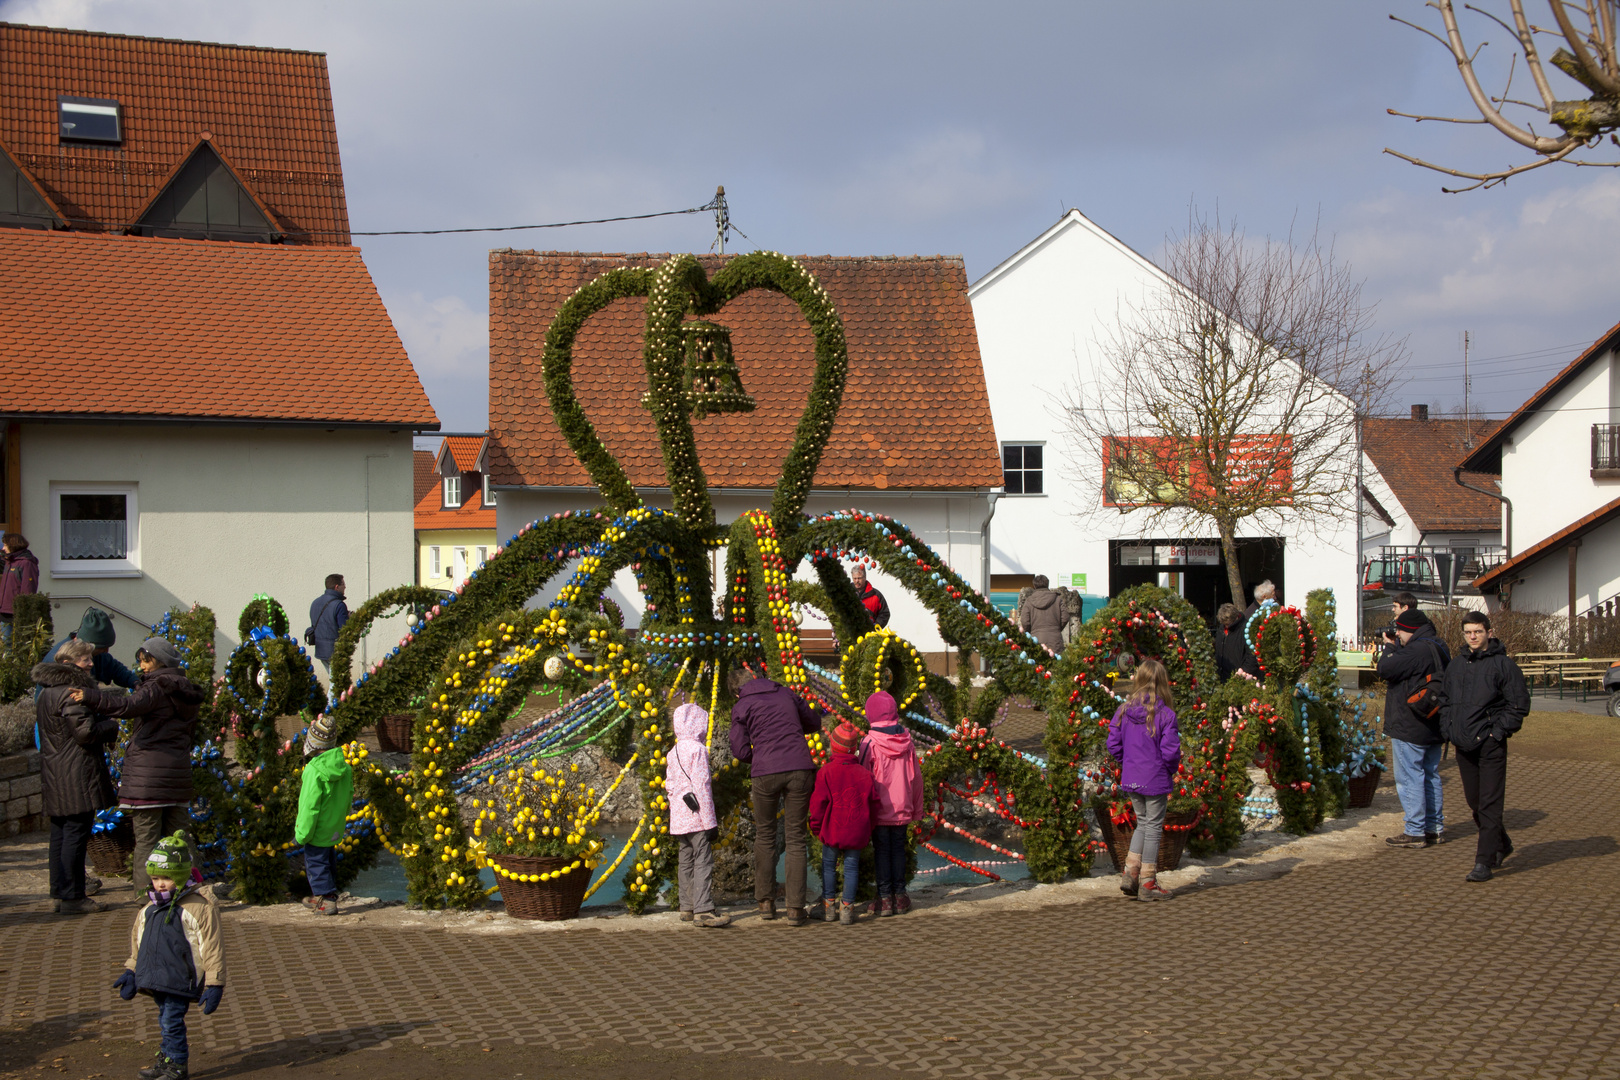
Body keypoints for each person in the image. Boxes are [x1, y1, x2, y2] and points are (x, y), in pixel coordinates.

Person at [73, 637, 205, 895]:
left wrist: (90, 696)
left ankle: (146, 895)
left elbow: (127, 706)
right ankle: (188, 889)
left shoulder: (157, 686)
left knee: (146, 840)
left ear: (160, 662)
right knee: (179, 838)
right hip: (177, 776)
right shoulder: (186, 689)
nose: (142, 667)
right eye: (141, 661)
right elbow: (189, 736)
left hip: (148, 780)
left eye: (147, 661)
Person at [113, 832, 226, 1080]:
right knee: (164, 1019)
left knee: (171, 1022)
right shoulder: (149, 909)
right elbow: (138, 943)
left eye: (167, 878)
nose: (160, 884)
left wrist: (214, 982)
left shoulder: (197, 907)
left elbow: (212, 946)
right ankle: (166, 1060)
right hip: (156, 978)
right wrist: (131, 970)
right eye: (155, 878)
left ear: (181, 875)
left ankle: (177, 1066)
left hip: (180, 978)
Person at [728, 666, 824, 926]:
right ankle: (795, 908)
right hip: (799, 768)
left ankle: (766, 903)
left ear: (737, 692)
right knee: (796, 838)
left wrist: (758, 757)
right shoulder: (786, 693)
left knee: (765, 835)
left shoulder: (743, 705)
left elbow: (738, 748)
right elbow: (814, 722)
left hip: (765, 773)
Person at [1441, 611, 1529, 882]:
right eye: (1468, 632)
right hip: (1463, 744)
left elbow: (1518, 705)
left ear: (1488, 632)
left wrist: (1497, 733)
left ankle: (1483, 861)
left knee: (1490, 804)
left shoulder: (1503, 666)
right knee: (1475, 802)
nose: (1473, 636)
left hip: (1490, 744)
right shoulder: (1456, 665)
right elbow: (1445, 700)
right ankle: (1501, 843)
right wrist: (1448, 728)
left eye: (1477, 631)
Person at [35, 638, 117, 914]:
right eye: (86, 660)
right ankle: (73, 896)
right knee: (75, 834)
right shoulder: (72, 692)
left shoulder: (46, 691)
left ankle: (60, 892)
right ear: (69, 663)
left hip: (56, 771)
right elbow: (85, 732)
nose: (91, 664)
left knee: (60, 833)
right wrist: (110, 726)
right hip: (76, 772)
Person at [1105, 658, 1182, 902]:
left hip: (1132, 776)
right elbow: (1170, 752)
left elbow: (1113, 744)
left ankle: (1130, 872)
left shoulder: (1123, 710)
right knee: (1153, 827)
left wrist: (1126, 762)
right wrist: (1169, 770)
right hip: (1155, 776)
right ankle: (1148, 880)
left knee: (1143, 823)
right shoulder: (1165, 715)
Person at [1376, 608, 1452, 848]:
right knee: (1430, 774)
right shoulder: (1438, 646)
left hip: (1410, 723)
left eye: (1399, 630)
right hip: (1433, 722)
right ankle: (1434, 828)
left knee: (1410, 777)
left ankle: (1415, 830)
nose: (1397, 634)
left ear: (1409, 630)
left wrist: (1389, 648)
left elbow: (1385, 669)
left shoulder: (1415, 650)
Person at [859, 690, 924, 916]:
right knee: (898, 850)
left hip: (879, 809)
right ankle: (900, 895)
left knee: (881, 851)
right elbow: (916, 778)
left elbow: (863, 777)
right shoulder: (908, 742)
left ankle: (885, 898)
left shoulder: (869, 743)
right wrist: (917, 809)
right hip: (902, 807)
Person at [808, 720, 879, 925]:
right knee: (851, 867)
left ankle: (829, 908)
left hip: (831, 829)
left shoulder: (826, 772)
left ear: (833, 746)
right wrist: (869, 827)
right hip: (857, 831)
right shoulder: (865, 775)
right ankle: (847, 910)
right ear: (854, 748)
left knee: (828, 866)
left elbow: (818, 804)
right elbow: (874, 804)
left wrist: (816, 827)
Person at [665, 702, 729, 927]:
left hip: (679, 819)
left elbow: (670, 786)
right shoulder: (698, 750)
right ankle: (703, 908)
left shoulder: (672, 752)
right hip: (697, 816)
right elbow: (702, 786)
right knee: (703, 860)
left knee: (685, 861)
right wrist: (710, 822)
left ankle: (687, 906)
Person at [295, 713, 351, 917]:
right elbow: (348, 797)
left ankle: (326, 899)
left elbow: (309, 806)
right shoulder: (345, 768)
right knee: (328, 860)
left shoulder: (313, 770)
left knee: (316, 864)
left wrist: (301, 834)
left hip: (317, 829)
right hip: (335, 826)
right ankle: (324, 895)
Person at [42, 608, 139, 691]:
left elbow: (117, 670)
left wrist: (136, 683)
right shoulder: (56, 659)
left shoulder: (99, 656)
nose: (106, 651)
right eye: (102, 648)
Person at [0, 532, 39, 645]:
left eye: (5, 545)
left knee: (13, 646)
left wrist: (23, 610)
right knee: (4, 646)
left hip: (15, 612)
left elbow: (28, 589)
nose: (3, 548)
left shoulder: (26, 563)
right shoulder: (9, 561)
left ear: (13, 545)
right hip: (4, 611)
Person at [307, 574, 349, 674]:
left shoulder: (315, 602)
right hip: (335, 651)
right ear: (337, 587)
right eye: (343, 584)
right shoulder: (339, 605)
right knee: (335, 685)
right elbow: (345, 629)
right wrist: (349, 618)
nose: (345, 587)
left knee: (333, 682)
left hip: (321, 650)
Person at [1019, 574, 1065, 653]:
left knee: (1038, 664)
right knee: (1056, 664)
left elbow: (1025, 621)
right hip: (1055, 640)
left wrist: (1031, 632)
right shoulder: (1057, 599)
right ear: (1047, 584)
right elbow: (1065, 617)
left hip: (1036, 638)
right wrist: (1056, 629)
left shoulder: (1029, 601)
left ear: (1034, 585)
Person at [1213, 603, 1259, 683]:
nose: (1226, 627)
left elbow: (1252, 655)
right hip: (1223, 676)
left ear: (1236, 618)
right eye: (1224, 624)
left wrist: (1242, 673)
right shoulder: (1221, 629)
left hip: (1240, 676)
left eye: (1228, 624)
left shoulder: (1247, 629)